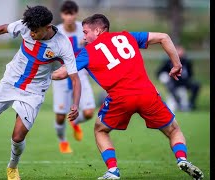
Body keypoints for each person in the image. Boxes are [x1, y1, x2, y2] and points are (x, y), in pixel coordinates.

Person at [52, 14, 204, 179]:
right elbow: (164, 37)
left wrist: (36, 74)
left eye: (86, 32)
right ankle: (181, 158)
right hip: (147, 93)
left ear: (97, 30)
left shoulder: (87, 52)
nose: (84, 36)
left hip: (120, 98)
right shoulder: (127, 36)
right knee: (173, 130)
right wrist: (176, 64)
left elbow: (62, 74)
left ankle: (112, 170)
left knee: (100, 130)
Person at [0, 5, 81, 180]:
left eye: (35, 31)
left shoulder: (62, 45)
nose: (31, 33)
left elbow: (75, 78)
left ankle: (12, 167)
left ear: (47, 27)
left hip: (33, 92)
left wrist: (75, 104)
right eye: (30, 30)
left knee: (18, 136)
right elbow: (2, 28)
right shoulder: (26, 25)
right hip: (10, 82)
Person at [52, 0, 96, 153]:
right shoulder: (55, 32)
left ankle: (75, 122)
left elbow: (94, 45)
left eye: (72, 14)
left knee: (89, 112)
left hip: (80, 75)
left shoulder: (84, 30)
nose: (69, 17)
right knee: (59, 116)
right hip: (62, 78)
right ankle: (63, 141)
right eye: (66, 14)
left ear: (76, 14)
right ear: (62, 15)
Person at [157, 45, 200, 112]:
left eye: (181, 50)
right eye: (178, 50)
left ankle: (191, 104)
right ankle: (176, 100)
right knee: (168, 83)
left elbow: (190, 74)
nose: (180, 52)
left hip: (184, 83)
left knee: (196, 85)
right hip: (173, 83)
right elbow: (159, 72)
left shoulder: (186, 62)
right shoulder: (169, 61)